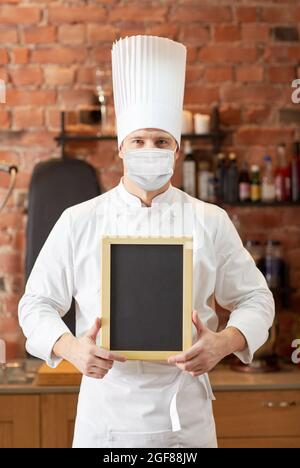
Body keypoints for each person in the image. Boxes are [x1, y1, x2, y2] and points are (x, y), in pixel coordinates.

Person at [18, 36, 275, 448]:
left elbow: (257, 300)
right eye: (138, 141)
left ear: (176, 151)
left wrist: (224, 343)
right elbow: (35, 305)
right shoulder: (79, 221)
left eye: (161, 142)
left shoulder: (210, 221)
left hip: (185, 418)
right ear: (121, 148)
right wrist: (70, 348)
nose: (149, 150)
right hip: (106, 418)